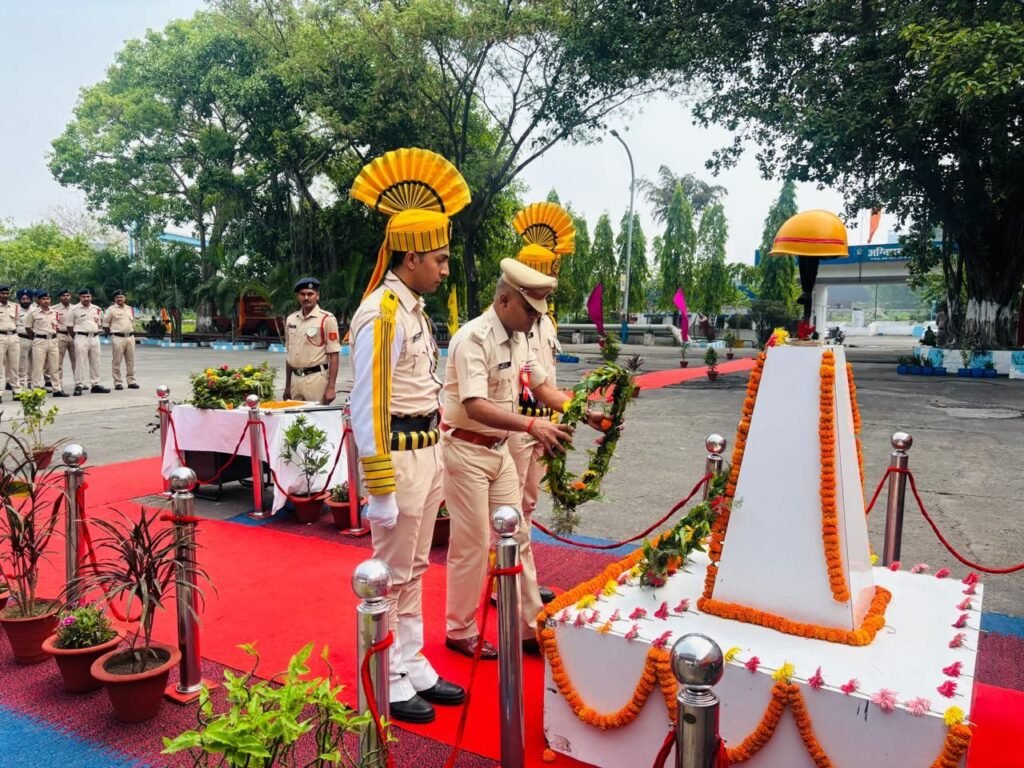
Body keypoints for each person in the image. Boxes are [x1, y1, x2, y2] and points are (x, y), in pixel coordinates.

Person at [347, 147, 471, 724]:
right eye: (441, 259)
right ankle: (386, 671)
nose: (445, 269)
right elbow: (366, 404)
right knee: (391, 573)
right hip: (395, 456)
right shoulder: (384, 313)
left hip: (427, 451)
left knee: (417, 568)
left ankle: (413, 660)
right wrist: (378, 488)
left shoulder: (415, 309)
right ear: (415, 255)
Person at [443, 259, 609, 659]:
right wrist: (531, 427)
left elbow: (543, 388)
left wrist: (584, 412)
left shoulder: (519, 337)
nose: (535, 321)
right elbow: (475, 404)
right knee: (474, 541)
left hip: (499, 450)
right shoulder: (474, 339)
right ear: (504, 300)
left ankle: (527, 626)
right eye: (529, 311)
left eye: (539, 314)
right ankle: (459, 627)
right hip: (465, 449)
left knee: (515, 536)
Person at [506, 202, 577, 614]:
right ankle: (508, 585)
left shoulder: (545, 320)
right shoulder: (521, 318)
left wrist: (570, 403)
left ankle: (521, 580)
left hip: (543, 419)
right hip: (521, 421)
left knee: (528, 503)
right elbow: (527, 380)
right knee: (513, 507)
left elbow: (544, 375)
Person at [281, 278, 340, 404]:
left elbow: (334, 355)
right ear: (298, 296)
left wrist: (331, 387)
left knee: (317, 420)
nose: (306, 297)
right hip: (295, 381)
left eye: (310, 294)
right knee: (295, 420)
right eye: (302, 294)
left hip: (316, 380)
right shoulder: (291, 319)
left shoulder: (326, 319)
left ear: (317, 296)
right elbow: (289, 355)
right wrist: (287, 386)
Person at [24, 291, 67, 396]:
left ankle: (57, 389)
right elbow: (28, 327)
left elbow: (56, 327)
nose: (46, 301)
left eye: (48, 299)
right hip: (39, 340)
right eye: (43, 299)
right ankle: (36, 389)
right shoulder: (33, 313)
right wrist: (36, 337)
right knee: (38, 367)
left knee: (54, 366)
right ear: (39, 301)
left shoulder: (55, 312)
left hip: (53, 340)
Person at [67, 288, 109, 395]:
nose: (86, 299)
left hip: (95, 337)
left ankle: (95, 384)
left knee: (96, 361)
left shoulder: (96, 309)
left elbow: (98, 323)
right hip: (81, 337)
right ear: (79, 297)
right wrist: (77, 337)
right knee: (80, 362)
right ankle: (79, 385)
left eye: (88, 296)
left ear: (91, 297)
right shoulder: (74, 309)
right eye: (84, 297)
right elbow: (69, 326)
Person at [102, 290, 138, 389]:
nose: (119, 299)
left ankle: (131, 381)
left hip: (130, 337)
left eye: (121, 297)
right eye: (117, 297)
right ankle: (118, 382)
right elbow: (105, 324)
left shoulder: (130, 309)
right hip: (118, 337)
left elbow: (132, 322)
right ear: (114, 299)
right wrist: (112, 334)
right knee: (117, 361)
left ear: (124, 298)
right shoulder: (111, 309)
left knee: (131, 360)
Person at [54, 289, 77, 394]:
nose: (66, 297)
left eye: (68, 295)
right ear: (60, 297)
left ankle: (78, 383)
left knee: (76, 361)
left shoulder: (76, 308)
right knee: (58, 362)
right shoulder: (54, 309)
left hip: (74, 336)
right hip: (61, 335)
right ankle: (58, 385)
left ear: (70, 296)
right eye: (63, 296)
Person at [0, 286, 19, 401]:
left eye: (7, 293)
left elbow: (16, 322)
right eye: (2, 293)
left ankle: (16, 391)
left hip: (13, 336)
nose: (5, 295)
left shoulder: (14, 306)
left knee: (14, 365)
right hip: (0, 336)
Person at [15, 288, 33, 389]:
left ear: (31, 299)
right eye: (23, 299)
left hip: (34, 338)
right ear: (19, 299)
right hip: (22, 338)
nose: (25, 301)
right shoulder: (16, 310)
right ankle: (20, 384)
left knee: (35, 363)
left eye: (27, 299)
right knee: (22, 363)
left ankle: (32, 382)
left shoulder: (35, 309)